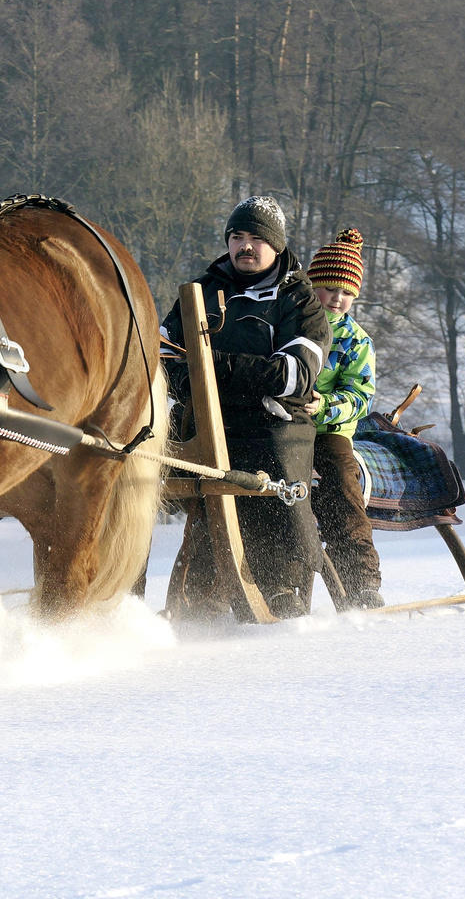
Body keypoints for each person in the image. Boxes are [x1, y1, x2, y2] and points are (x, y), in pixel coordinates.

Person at [161, 196, 333, 619]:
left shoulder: (301, 302)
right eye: (237, 236)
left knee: (267, 461)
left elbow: (293, 376)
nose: (246, 246)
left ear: (276, 245)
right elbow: (163, 355)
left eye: (257, 238)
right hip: (202, 419)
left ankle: (280, 585)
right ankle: (167, 592)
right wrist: (195, 383)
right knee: (125, 466)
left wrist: (208, 367)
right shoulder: (198, 292)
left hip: (270, 423)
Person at [304, 229, 384, 609]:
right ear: (312, 285)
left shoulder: (356, 341)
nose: (337, 298)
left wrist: (324, 404)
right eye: (329, 288)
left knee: (340, 484)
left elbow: (361, 396)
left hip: (329, 430)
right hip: (283, 427)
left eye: (347, 292)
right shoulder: (290, 326)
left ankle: (361, 580)